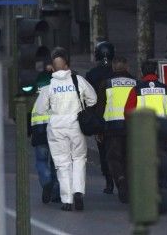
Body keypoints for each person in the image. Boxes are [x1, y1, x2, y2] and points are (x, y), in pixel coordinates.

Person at [36, 47, 97, 211]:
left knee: (62, 163)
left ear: (53, 69)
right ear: (67, 66)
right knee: (79, 159)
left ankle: (67, 200)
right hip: (75, 125)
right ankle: (78, 191)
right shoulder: (78, 80)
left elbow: (40, 109)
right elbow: (93, 98)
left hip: (56, 128)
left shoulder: (49, 86)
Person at [124, 60, 167, 188]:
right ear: (156, 72)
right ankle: (162, 188)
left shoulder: (136, 89)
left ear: (142, 72)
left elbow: (128, 112)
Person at [96, 56, 136, 203]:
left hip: (112, 126)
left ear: (113, 67)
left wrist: (99, 129)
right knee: (130, 157)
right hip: (132, 126)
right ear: (127, 67)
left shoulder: (106, 83)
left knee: (114, 158)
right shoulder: (136, 82)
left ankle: (120, 179)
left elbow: (101, 108)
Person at [86, 41, 115, 194]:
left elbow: (88, 99)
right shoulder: (116, 72)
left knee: (103, 151)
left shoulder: (92, 74)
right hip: (119, 118)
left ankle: (109, 181)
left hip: (100, 117)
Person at [30, 67, 61, 204]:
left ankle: (46, 181)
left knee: (41, 161)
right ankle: (56, 192)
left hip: (39, 127)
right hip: (56, 128)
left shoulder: (37, 88)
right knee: (57, 163)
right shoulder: (60, 89)